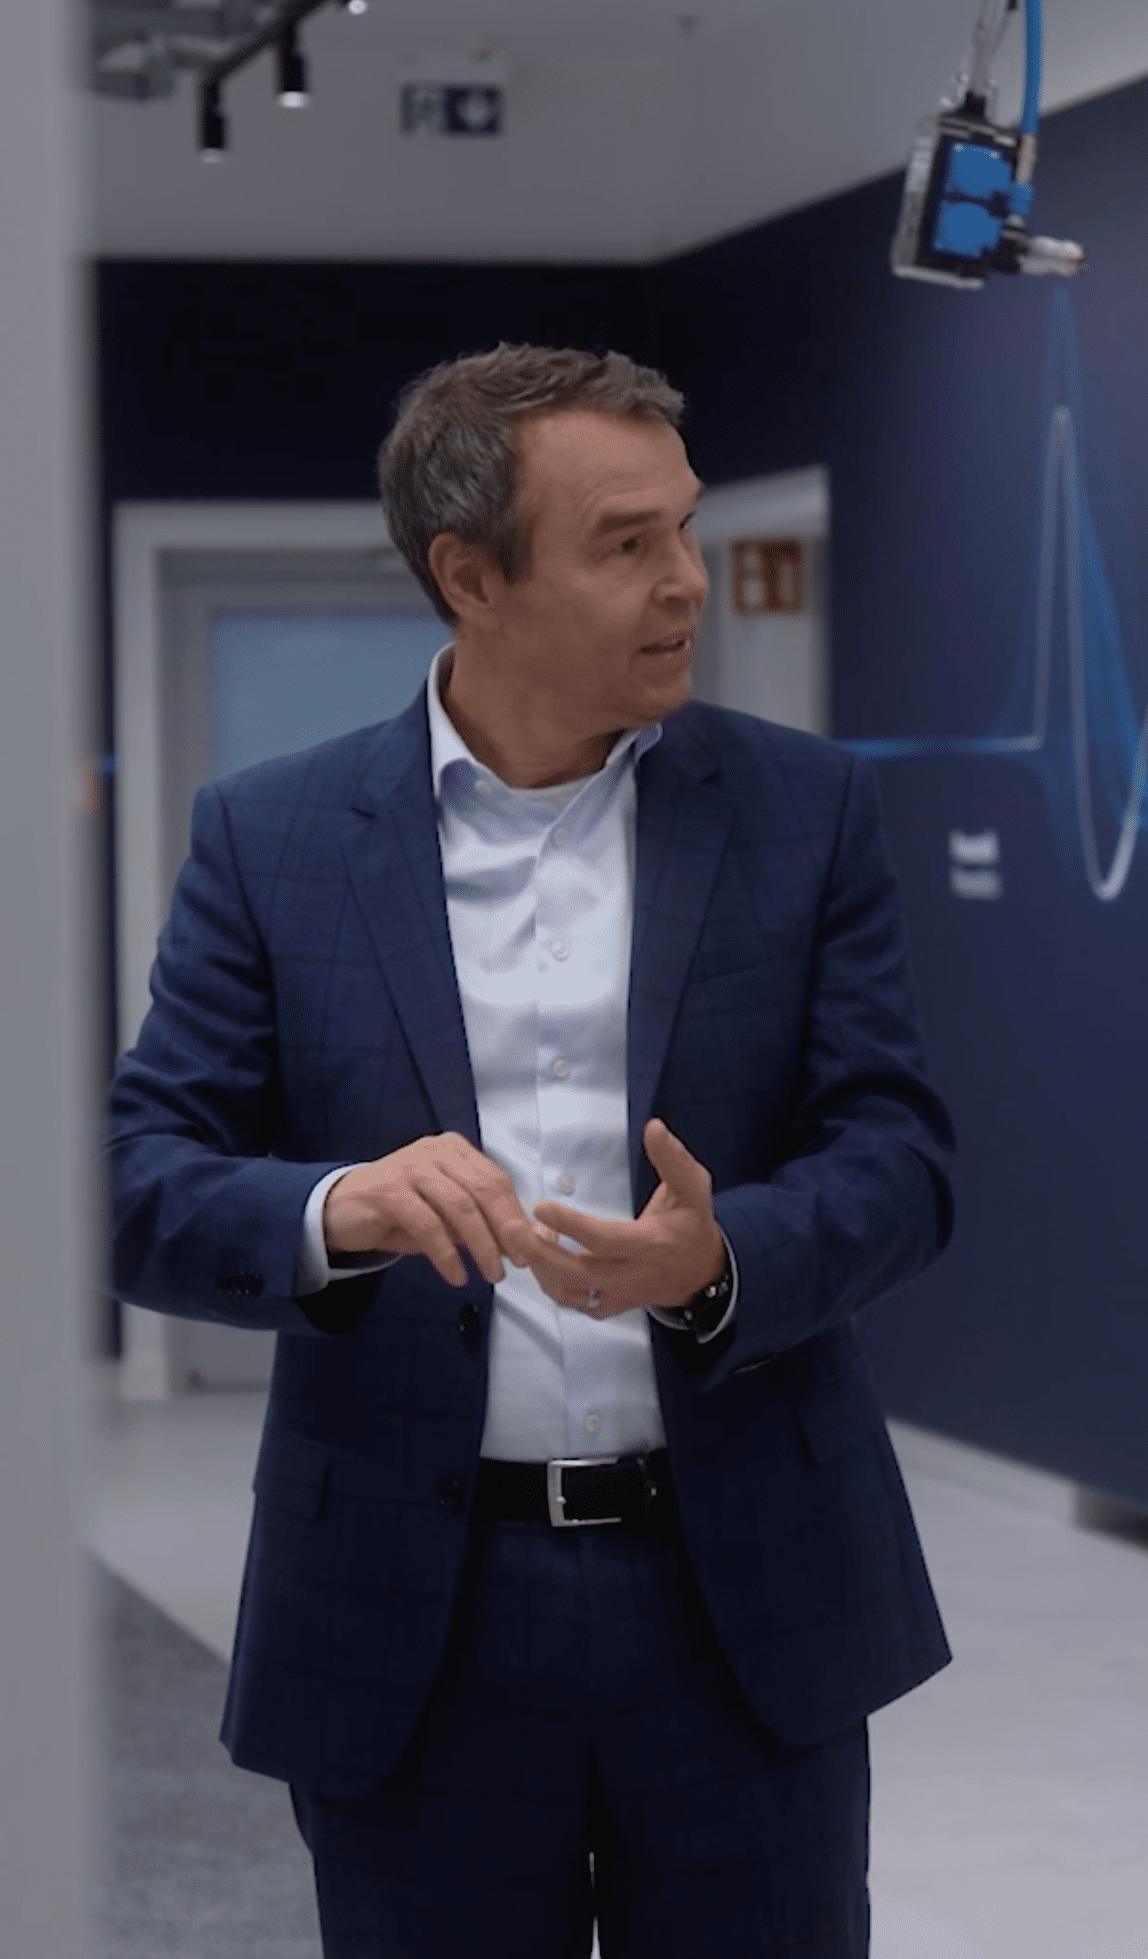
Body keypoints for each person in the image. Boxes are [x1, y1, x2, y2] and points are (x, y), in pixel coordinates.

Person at [109, 344, 956, 1959]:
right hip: (410, 1617)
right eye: (626, 543)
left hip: (739, 1602)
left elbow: (901, 1155)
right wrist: (336, 1205)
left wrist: (726, 1257)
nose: (686, 580)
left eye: (684, 527)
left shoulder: (805, 811)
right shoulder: (272, 839)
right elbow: (131, 1181)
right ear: (471, 577)